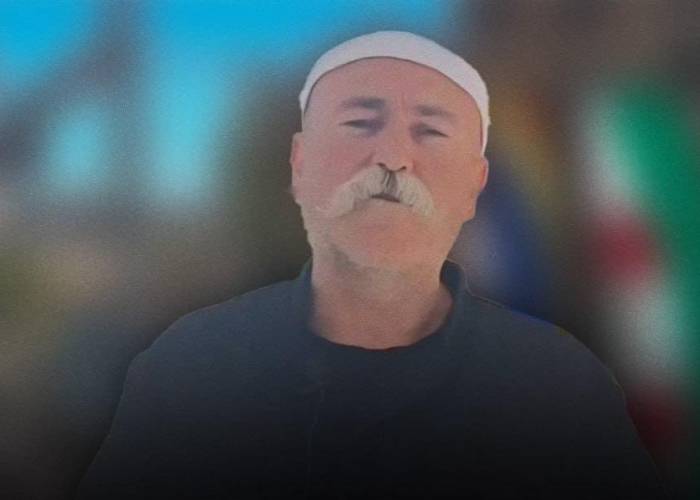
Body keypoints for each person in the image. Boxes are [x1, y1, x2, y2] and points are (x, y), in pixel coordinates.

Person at [76, 31, 666, 499]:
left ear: (475, 185)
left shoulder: (561, 390)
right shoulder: (190, 372)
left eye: (430, 131)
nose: (392, 156)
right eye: (360, 123)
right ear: (300, 164)